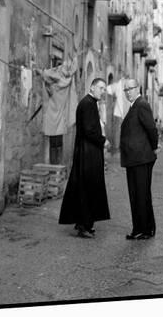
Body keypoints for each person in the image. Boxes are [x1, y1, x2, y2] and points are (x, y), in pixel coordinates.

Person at [59, 78, 111, 238]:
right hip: (88, 154)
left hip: (87, 152)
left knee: (84, 188)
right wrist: (104, 141)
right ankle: (84, 226)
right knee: (89, 188)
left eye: (104, 89)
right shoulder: (88, 104)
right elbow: (89, 130)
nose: (103, 92)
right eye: (101, 88)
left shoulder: (88, 102)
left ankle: (82, 222)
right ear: (92, 87)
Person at [120, 79, 160, 240]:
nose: (128, 92)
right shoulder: (134, 106)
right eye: (125, 90)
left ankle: (144, 229)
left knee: (140, 194)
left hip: (141, 158)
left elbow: (151, 128)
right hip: (135, 159)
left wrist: (154, 147)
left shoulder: (141, 104)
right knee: (137, 194)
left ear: (138, 89)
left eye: (130, 88)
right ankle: (143, 228)